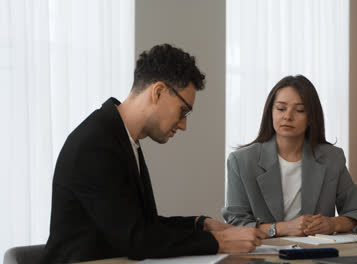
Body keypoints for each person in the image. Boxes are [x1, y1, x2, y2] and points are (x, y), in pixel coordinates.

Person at [41, 44, 265, 264]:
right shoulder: (96, 144)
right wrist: (219, 241)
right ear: (158, 92)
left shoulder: (121, 137)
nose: (183, 125)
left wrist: (200, 224)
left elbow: (141, 225)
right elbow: (137, 240)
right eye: (183, 111)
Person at [222, 75, 357, 238]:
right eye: (281, 109)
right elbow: (235, 223)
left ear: (311, 117)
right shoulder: (241, 161)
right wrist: (282, 228)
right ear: (270, 112)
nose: (288, 116)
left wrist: (333, 224)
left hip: (318, 253)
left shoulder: (332, 158)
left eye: (300, 110)